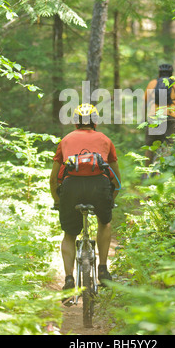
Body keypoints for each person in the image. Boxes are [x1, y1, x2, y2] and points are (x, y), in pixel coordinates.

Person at [49, 103, 121, 291]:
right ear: (95, 122)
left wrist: (58, 201)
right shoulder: (105, 140)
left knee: (69, 234)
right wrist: (112, 197)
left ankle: (69, 279)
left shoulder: (65, 140)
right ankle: (103, 269)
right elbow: (116, 177)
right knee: (104, 223)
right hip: (99, 186)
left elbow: (53, 179)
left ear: (75, 122)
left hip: (71, 187)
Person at [143, 63, 175, 166]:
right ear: (171, 74)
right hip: (170, 117)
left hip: (154, 117)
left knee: (150, 146)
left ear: (159, 74)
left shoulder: (152, 84)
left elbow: (145, 103)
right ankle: (164, 170)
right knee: (168, 145)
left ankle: (146, 173)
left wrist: (144, 120)